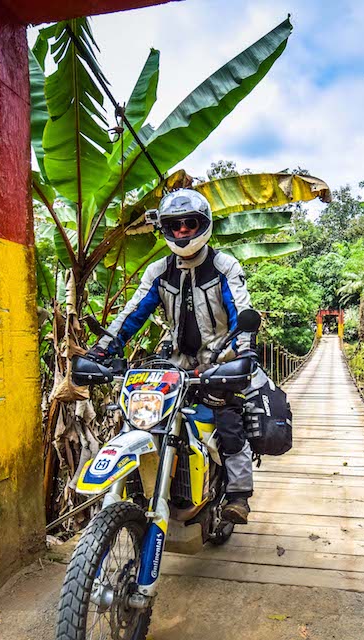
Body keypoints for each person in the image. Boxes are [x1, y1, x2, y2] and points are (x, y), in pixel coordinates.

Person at [84, 189, 256, 524]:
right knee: (141, 419)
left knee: (229, 422)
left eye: (188, 224)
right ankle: (148, 490)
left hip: (219, 363)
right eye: (174, 226)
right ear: (165, 229)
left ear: (202, 225)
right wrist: (102, 350)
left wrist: (244, 352)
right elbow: (133, 314)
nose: (181, 232)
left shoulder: (224, 266)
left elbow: (241, 311)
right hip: (175, 366)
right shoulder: (159, 271)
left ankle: (238, 493)